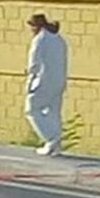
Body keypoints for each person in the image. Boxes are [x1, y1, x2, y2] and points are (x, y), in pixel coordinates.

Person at [25, 13, 69, 157]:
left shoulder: (40, 39)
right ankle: (56, 144)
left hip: (43, 81)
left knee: (31, 110)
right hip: (59, 81)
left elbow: (34, 64)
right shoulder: (59, 39)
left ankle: (51, 139)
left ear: (36, 26)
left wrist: (30, 81)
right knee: (53, 111)